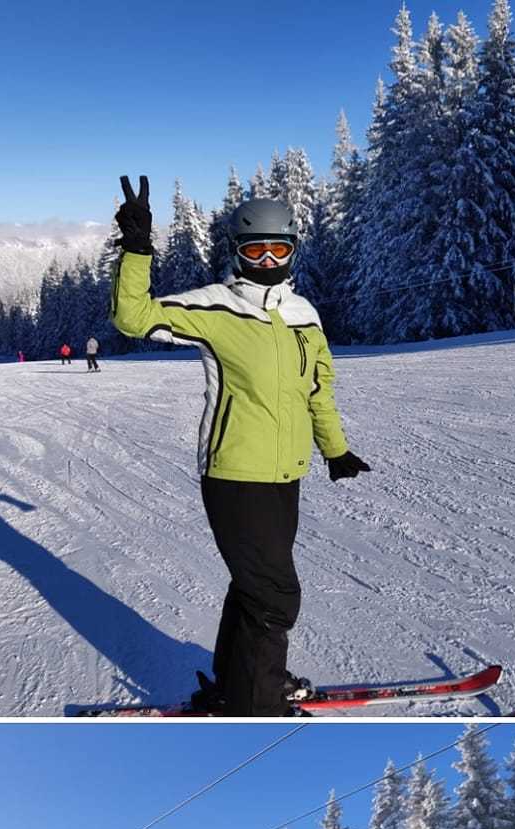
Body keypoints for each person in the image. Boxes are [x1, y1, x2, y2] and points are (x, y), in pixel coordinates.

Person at [109, 176, 373, 716]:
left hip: (285, 475)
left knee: (253, 588)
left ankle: (238, 681)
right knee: (276, 595)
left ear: (294, 249)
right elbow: (133, 317)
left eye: (279, 249)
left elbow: (318, 390)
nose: (268, 260)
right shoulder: (217, 307)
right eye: (256, 250)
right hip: (233, 474)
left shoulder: (305, 316)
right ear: (237, 252)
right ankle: (258, 703)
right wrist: (137, 249)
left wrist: (335, 449)